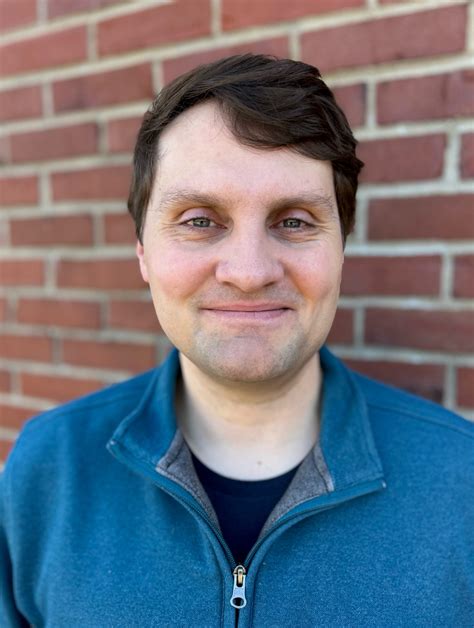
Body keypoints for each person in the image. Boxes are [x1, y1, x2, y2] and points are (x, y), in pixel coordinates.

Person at [1, 54, 473, 627]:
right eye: (200, 220)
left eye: (294, 220)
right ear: (143, 252)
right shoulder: (49, 468)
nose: (249, 273)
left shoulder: (462, 480)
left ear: (341, 249)